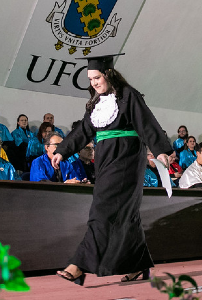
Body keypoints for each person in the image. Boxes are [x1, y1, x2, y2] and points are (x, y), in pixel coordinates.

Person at [50, 54, 172, 286]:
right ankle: (137, 265)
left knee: (102, 208)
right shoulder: (97, 102)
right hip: (106, 159)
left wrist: (160, 151)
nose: (93, 82)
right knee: (126, 213)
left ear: (108, 74)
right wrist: (62, 150)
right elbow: (84, 130)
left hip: (126, 158)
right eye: (90, 79)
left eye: (97, 77)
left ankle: (79, 264)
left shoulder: (128, 96)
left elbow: (147, 124)